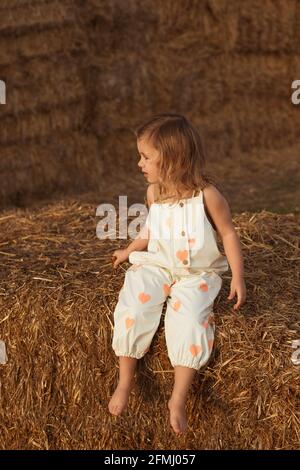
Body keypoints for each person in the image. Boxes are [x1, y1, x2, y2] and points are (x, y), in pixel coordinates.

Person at [108, 113, 246, 434]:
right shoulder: (154, 194)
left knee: (189, 318)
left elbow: (228, 233)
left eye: (145, 157)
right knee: (134, 302)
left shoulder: (207, 196)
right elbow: (149, 230)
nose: (139, 163)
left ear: (172, 159)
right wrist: (129, 251)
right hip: (159, 264)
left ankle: (178, 398)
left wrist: (237, 276)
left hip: (195, 272)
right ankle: (125, 380)